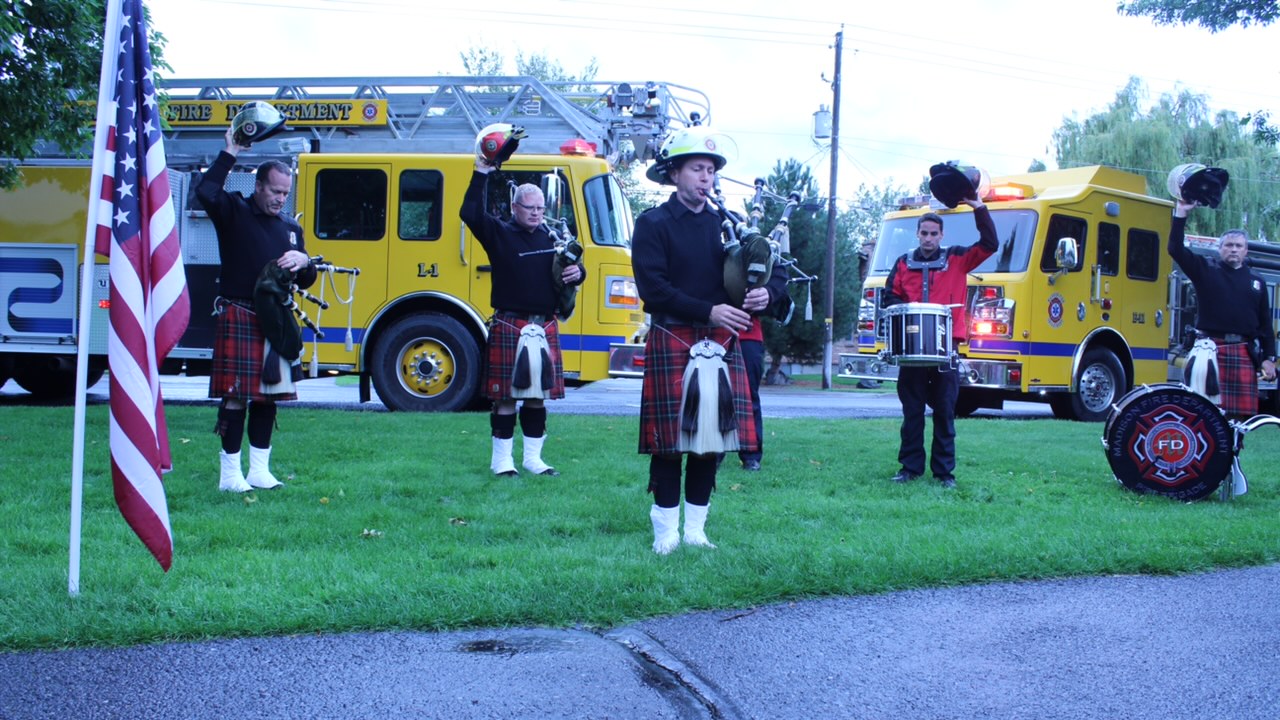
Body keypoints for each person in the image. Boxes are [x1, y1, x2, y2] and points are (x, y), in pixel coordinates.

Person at [632, 126, 762, 554]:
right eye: (697, 169)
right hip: (675, 335)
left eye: (710, 170)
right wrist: (709, 311)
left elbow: (766, 270)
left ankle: (696, 531)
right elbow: (653, 289)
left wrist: (765, 293)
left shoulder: (729, 225)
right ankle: (666, 533)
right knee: (670, 444)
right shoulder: (652, 224)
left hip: (720, 342)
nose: (706, 177)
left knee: (710, 441)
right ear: (674, 173)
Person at [198, 126, 316, 493]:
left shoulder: (290, 228)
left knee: (270, 396)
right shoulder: (234, 210)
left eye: (285, 192)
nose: (281, 198)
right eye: (275, 191)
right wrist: (230, 152)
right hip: (240, 312)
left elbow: (306, 280)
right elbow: (206, 191)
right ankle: (230, 475)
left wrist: (306, 261)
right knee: (236, 395)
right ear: (258, 186)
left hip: (276, 318)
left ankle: (259, 471)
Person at [460, 157, 584, 477]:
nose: (536, 213)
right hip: (510, 322)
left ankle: (533, 459)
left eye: (540, 208)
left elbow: (573, 269)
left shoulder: (553, 237)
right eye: (530, 208)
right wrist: (481, 173)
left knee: (537, 397)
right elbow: (470, 213)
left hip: (544, 324)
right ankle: (501, 461)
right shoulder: (499, 232)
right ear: (515, 207)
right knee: (505, 397)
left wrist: (578, 273)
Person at [883, 189, 997, 488]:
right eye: (924, 233)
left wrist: (979, 208)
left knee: (945, 412)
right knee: (912, 413)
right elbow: (890, 296)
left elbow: (990, 244)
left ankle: (944, 473)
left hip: (946, 351)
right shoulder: (903, 263)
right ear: (917, 234)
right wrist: (906, 311)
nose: (929, 238)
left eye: (934, 233)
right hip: (912, 352)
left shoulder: (957, 257)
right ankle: (910, 469)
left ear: (941, 235)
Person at [1168, 201, 1277, 418]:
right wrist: (1181, 213)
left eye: (1238, 246)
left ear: (1246, 250)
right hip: (1209, 350)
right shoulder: (1205, 270)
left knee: (1239, 419)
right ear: (1220, 249)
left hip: (1243, 351)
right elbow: (1175, 249)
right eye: (1228, 245)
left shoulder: (1257, 281)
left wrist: (1269, 358)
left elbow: (1265, 325)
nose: (1234, 249)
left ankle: (1235, 442)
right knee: (1202, 412)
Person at [736, 265, 790, 471]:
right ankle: (712, 451)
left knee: (749, 395)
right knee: (712, 394)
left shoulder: (756, 249)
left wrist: (769, 292)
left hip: (747, 333)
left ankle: (751, 454)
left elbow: (779, 273)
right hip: (711, 330)